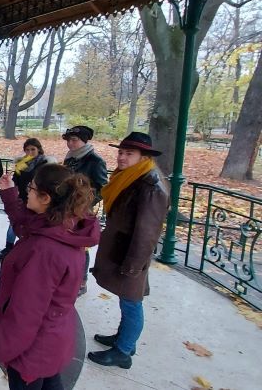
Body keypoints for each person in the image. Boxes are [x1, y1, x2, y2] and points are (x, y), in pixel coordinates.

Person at [0, 164, 100, 390]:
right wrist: (9, 194)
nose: (27, 191)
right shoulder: (63, 226)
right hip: (53, 340)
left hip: (32, 349)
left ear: (45, 198)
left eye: (31, 187)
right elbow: (26, 225)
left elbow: (26, 312)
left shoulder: (44, 250)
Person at [88, 132, 169, 370]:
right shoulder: (131, 176)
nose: (122, 158)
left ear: (143, 157)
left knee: (132, 301)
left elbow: (147, 231)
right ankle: (124, 338)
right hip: (123, 248)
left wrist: (133, 264)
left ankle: (123, 351)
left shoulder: (150, 184)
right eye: (121, 152)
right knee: (127, 300)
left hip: (131, 253)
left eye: (129, 154)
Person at [62, 125, 108, 296]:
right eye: (69, 140)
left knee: (81, 244)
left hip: (82, 210)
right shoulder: (71, 158)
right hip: (67, 206)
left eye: (74, 140)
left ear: (84, 141)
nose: (70, 144)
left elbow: (103, 187)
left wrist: (85, 203)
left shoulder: (95, 161)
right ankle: (69, 275)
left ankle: (81, 280)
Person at [0, 138, 54, 261]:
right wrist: (10, 182)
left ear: (39, 150)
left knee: (32, 226)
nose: (30, 152)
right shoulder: (22, 164)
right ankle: (9, 247)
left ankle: (28, 249)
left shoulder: (44, 165)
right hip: (22, 198)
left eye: (33, 149)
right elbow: (16, 181)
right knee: (14, 223)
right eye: (27, 150)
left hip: (37, 201)